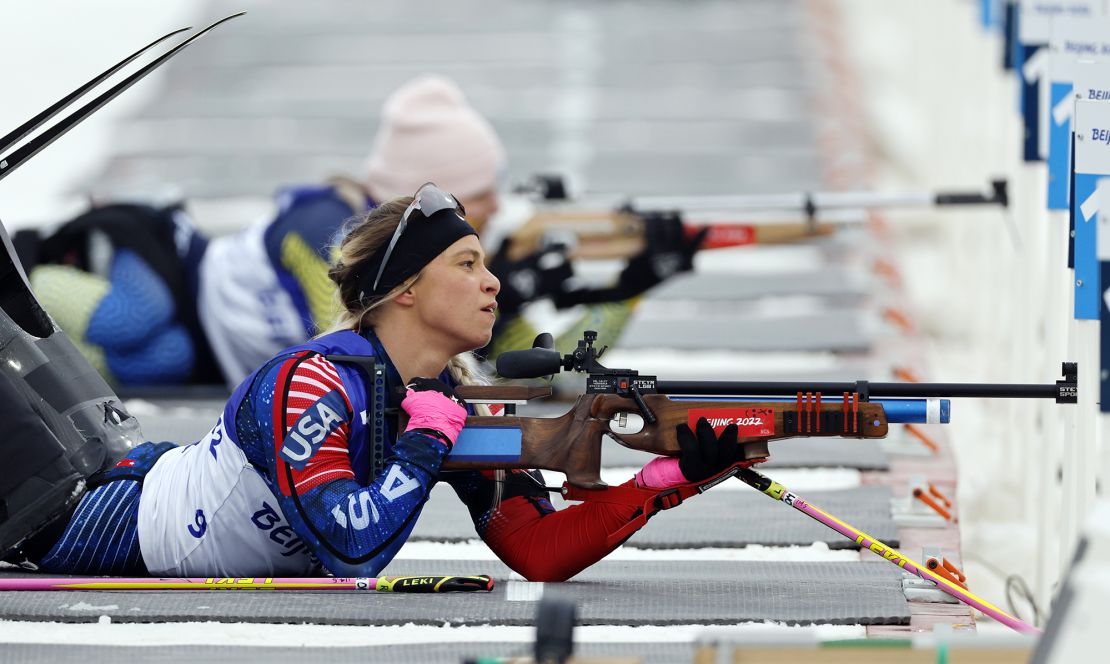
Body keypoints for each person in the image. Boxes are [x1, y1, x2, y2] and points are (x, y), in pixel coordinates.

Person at [2, 185, 753, 580]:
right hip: (72, 520)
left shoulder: (447, 401)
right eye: (467, 265)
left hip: (125, 472)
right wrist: (426, 444)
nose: (492, 284)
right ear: (405, 292)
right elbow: (350, 549)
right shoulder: (314, 384)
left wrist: (667, 482)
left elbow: (538, 551)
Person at [20, 74, 703, 389]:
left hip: (205, 345)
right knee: (134, 320)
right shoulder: (321, 222)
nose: (495, 209)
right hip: (170, 267)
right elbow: (353, 330)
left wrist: (632, 285)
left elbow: (531, 363)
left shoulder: (438, 262)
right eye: (477, 194)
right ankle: (22, 280)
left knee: (156, 361)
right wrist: (508, 283)